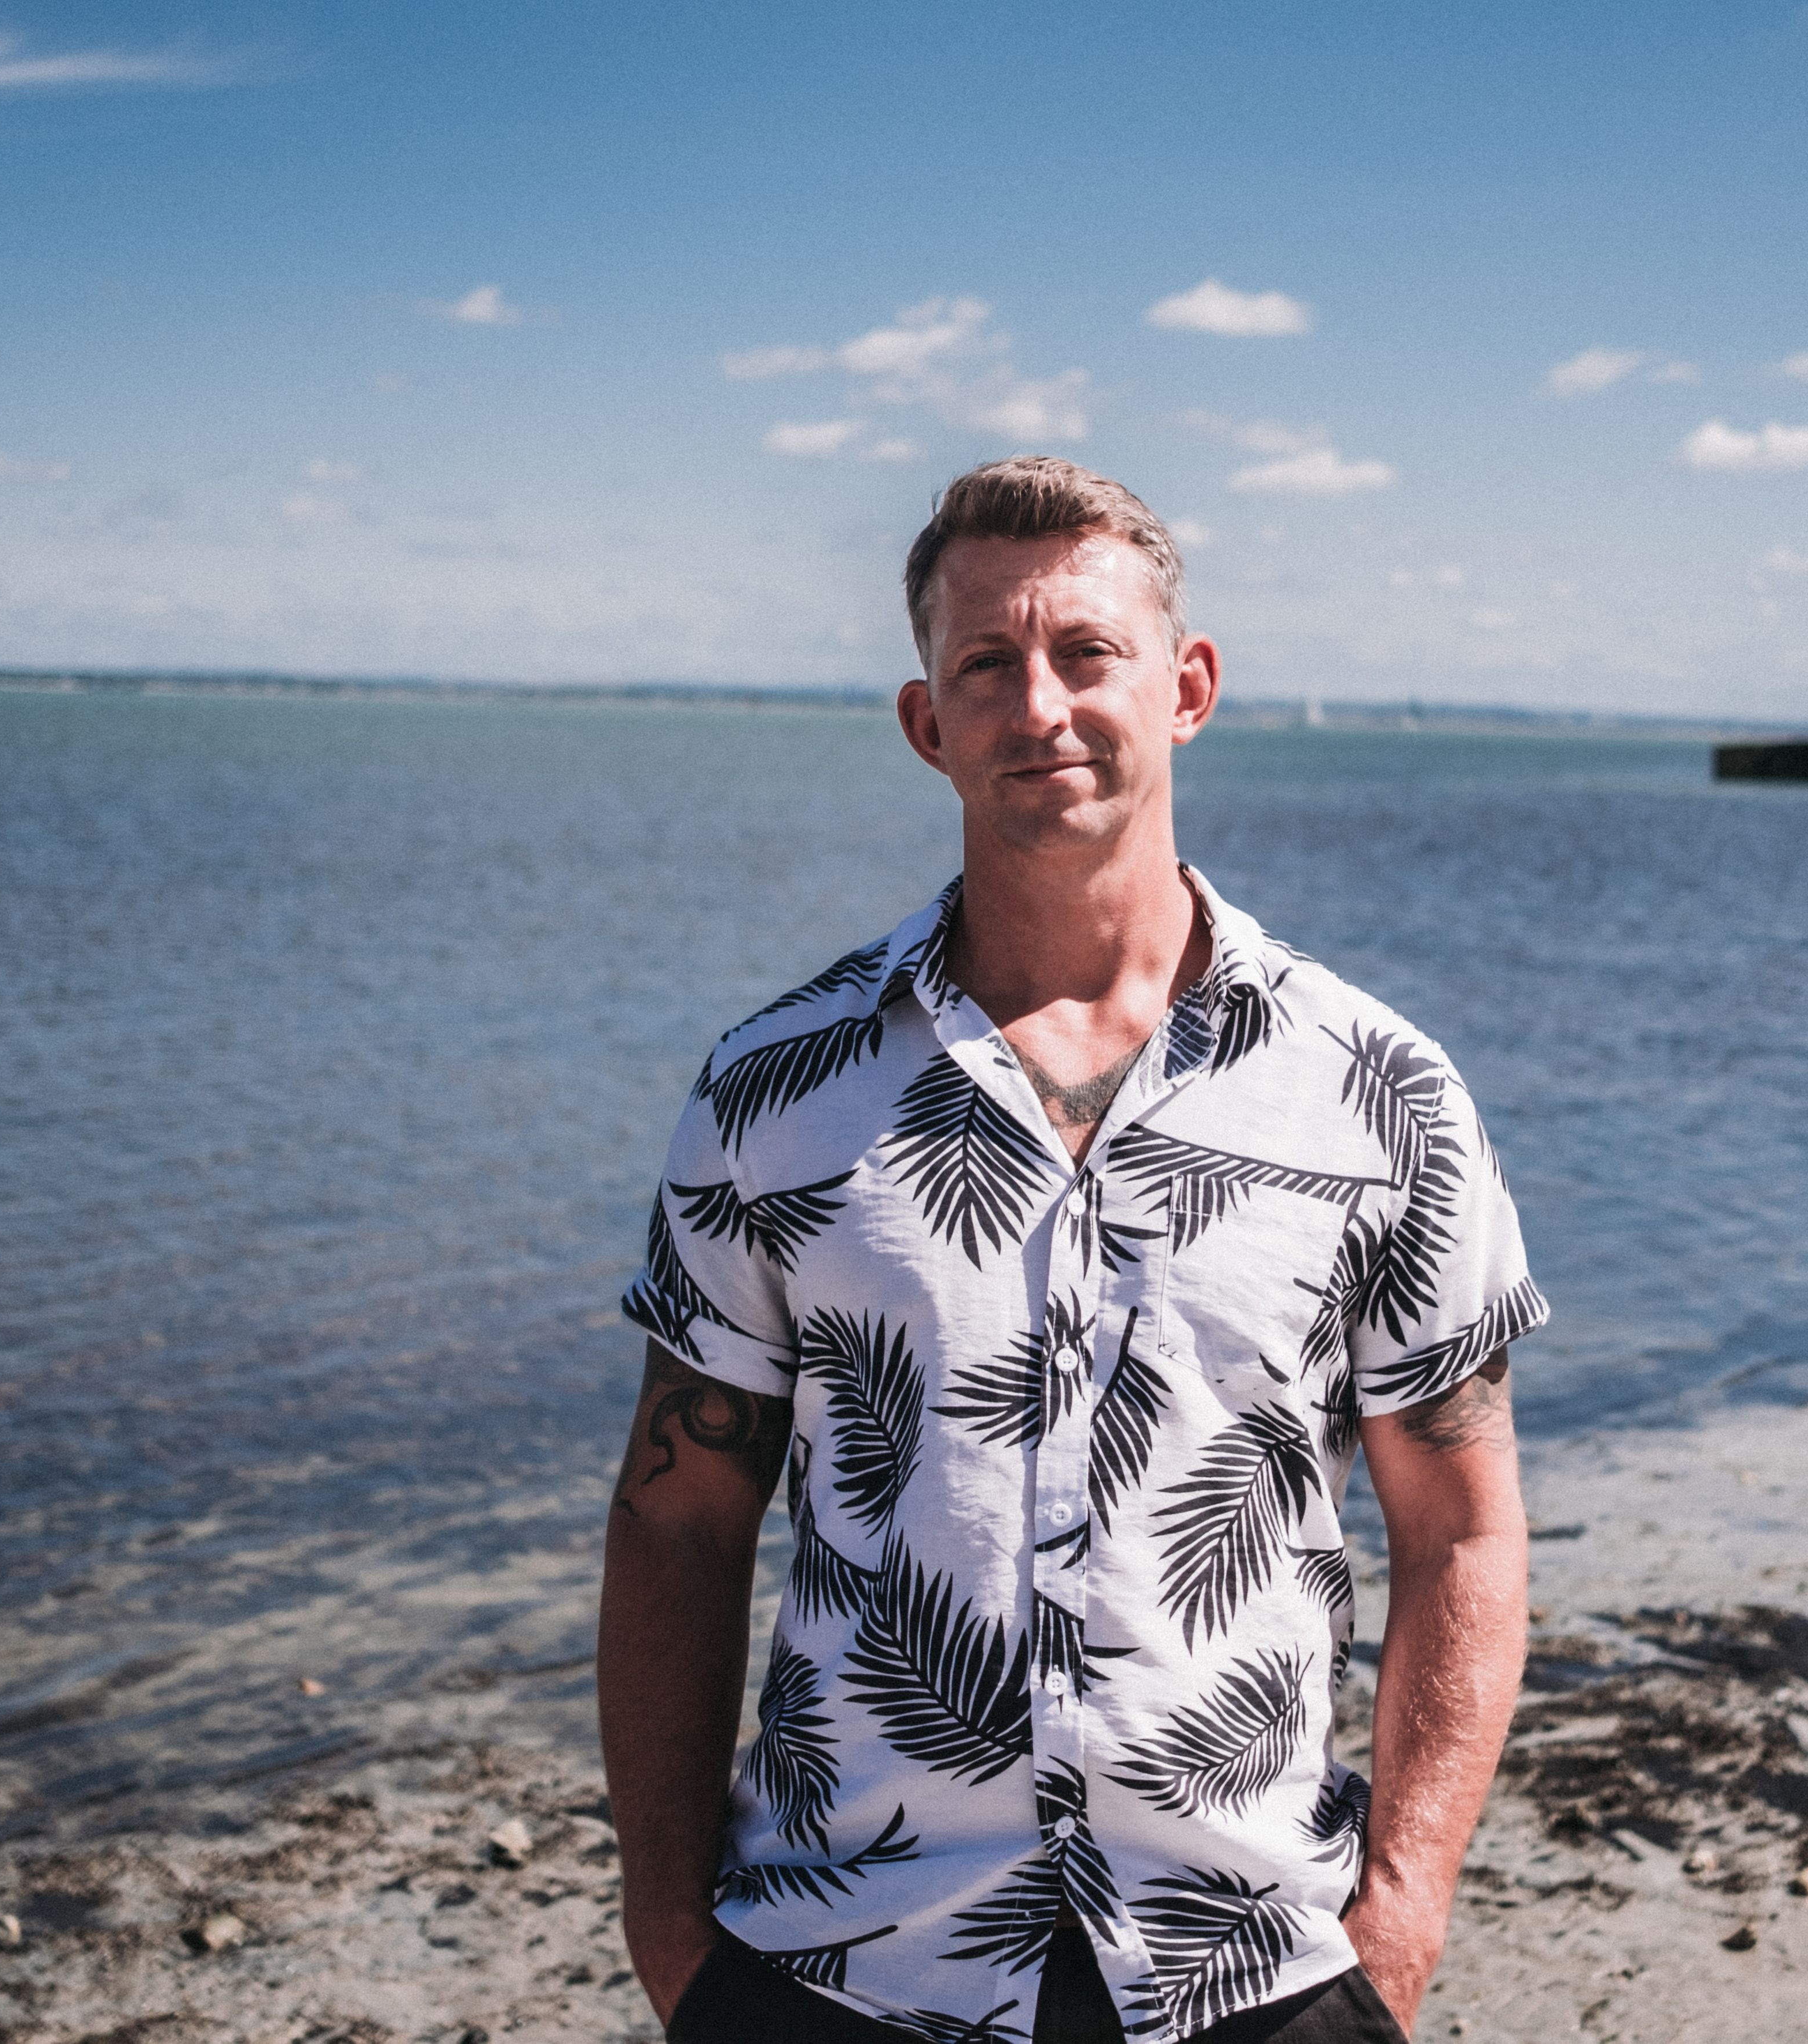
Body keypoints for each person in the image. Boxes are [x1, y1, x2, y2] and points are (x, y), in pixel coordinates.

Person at [597, 457, 1545, 2043]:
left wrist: (1402, 1909)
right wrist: (670, 1930)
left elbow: (1462, 1530)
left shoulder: (1379, 1091)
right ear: (928, 724)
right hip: (845, 1965)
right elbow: (677, 1520)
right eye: (987, 663)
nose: (1040, 705)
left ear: (1189, 688)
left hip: (1256, 1969)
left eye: (1088, 652)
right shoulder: (777, 1091)